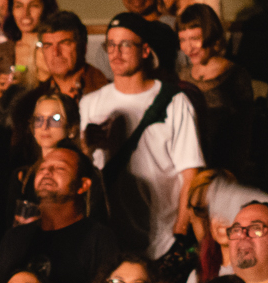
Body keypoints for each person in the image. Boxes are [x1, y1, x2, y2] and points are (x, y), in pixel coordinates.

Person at [80, 16, 204, 256]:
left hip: (163, 233)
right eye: (111, 45)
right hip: (110, 234)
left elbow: (191, 172)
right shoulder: (90, 103)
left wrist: (180, 229)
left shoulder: (173, 101)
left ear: (145, 50)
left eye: (126, 44)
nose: (116, 53)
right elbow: (85, 169)